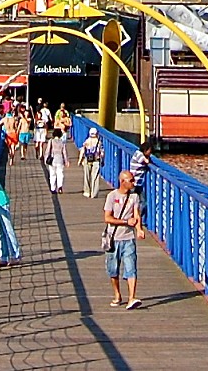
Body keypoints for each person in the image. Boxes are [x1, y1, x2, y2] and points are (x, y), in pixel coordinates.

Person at [102, 169, 144, 308]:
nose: (133, 183)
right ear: (122, 181)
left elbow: (136, 215)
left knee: (131, 267)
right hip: (113, 238)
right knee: (113, 270)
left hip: (128, 238)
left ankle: (132, 298)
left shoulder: (134, 197)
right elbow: (107, 218)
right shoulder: (112, 196)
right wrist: (126, 222)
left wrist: (139, 229)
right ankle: (117, 295)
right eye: (130, 180)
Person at [41, 124, 68, 194]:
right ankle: (60, 186)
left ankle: (53, 188)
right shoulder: (62, 142)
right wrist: (66, 161)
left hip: (52, 160)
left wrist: (45, 159)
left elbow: (47, 151)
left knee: (52, 174)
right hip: (60, 159)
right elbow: (64, 152)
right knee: (60, 173)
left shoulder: (51, 141)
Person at [80, 127, 105, 198]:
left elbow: (82, 151)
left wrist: (80, 160)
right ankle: (94, 193)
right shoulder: (99, 142)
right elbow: (102, 153)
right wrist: (102, 160)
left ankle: (87, 191)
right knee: (95, 177)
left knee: (87, 176)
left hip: (87, 159)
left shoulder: (87, 141)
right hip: (96, 160)